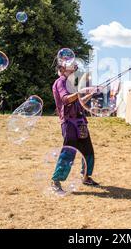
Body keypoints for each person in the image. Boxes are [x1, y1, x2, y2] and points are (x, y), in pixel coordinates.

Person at [51, 61, 99, 193]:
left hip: (80, 121)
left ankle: (86, 177)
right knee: (68, 152)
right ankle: (56, 181)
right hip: (69, 122)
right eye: (71, 67)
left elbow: (79, 101)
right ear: (62, 69)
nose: (74, 68)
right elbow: (66, 99)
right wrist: (80, 92)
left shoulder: (72, 84)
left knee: (87, 151)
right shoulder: (60, 82)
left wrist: (90, 93)